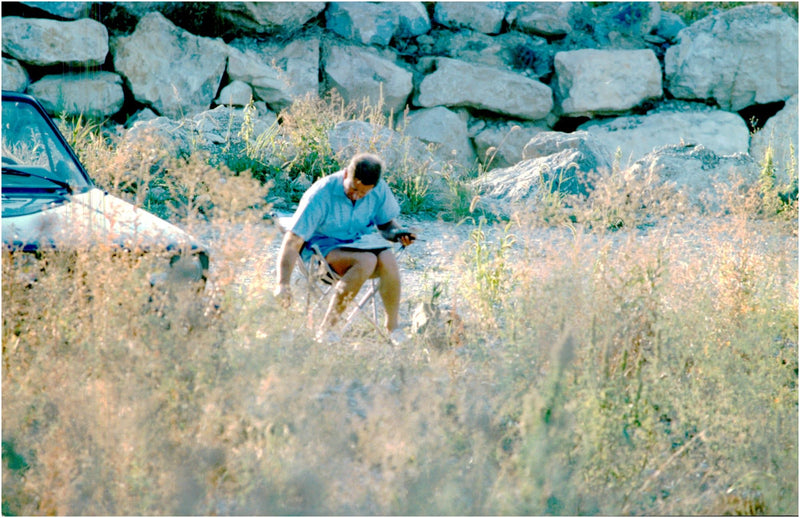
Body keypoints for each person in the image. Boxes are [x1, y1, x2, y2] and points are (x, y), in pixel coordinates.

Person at [274, 153, 416, 342]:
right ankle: (327, 329)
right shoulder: (321, 193)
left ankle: (393, 327)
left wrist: (398, 234)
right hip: (320, 253)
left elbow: (386, 225)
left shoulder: (379, 190)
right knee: (367, 260)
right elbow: (293, 240)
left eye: (363, 193)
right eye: (353, 189)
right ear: (346, 174)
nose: (356, 195)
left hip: (359, 243)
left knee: (387, 258)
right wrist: (282, 283)